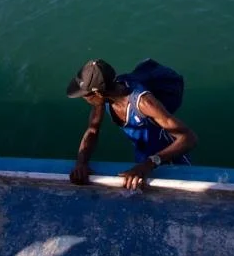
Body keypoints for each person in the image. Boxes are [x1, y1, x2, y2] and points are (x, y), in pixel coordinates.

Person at [66, 59, 198, 190]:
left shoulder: (143, 103)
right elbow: (92, 130)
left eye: (85, 95)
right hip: (142, 157)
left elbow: (188, 138)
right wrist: (81, 162)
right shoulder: (101, 100)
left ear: (98, 93)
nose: (84, 98)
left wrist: (149, 164)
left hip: (168, 158)